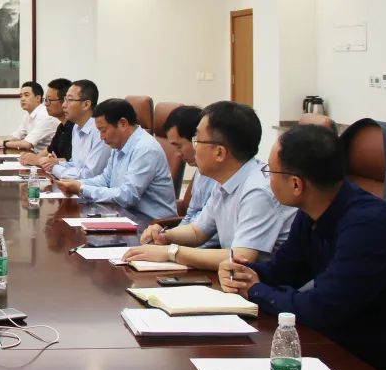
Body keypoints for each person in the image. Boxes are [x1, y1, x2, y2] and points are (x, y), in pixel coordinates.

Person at [219, 125, 386, 370]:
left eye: (269, 171)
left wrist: (255, 290)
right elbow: (284, 270)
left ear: (296, 184)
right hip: (338, 341)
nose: (267, 179)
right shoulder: (313, 211)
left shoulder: (369, 227)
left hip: (380, 360)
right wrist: (242, 272)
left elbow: (320, 310)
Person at [124, 101, 296, 270]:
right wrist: (164, 236)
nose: (194, 147)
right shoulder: (225, 181)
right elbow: (198, 232)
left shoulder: (258, 191)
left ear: (219, 152)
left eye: (197, 140)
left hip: (269, 283)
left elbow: (240, 258)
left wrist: (171, 252)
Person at [55, 98, 176, 218]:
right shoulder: (119, 144)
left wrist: (81, 188)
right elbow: (105, 180)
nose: (101, 137)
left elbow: (127, 196)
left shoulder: (145, 149)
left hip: (150, 222)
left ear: (123, 123)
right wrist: (76, 184)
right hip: (124, 215)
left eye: (103, 130)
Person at [162, 105, 218, 247]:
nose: (177, 154)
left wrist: (174, 249)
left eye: (178, 146)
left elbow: (214, 236)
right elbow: (191, 217)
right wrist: (166, 238)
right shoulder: (201, 170)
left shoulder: (222, 178)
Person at [49, 79, 110, 180]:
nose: (63, 105)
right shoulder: (76, 127)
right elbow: (76, 164)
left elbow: (89, 175)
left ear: (86, 105)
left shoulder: (100, 131)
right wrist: (57, 163)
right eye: (65, 99)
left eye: (69, 100)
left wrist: (54, 168)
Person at [20, 78, 73, 171]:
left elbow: (71, 162)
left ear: (64, 101)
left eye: (49, 100)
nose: (45, 105)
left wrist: (38, 160)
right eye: (46, 100)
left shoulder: (74, 128)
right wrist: (31, 157)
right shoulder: (61, 127)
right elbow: (50, 150)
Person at [0, 81, 59, 152]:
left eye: (26, 95)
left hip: (47, 156)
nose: (22, 99)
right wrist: (2, 141)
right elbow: (18, 135)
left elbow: (27, 144)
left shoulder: (45, 116)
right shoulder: (28, 115)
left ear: (38, 98)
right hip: (34, 154)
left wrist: (3, 143)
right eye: (21, 96)